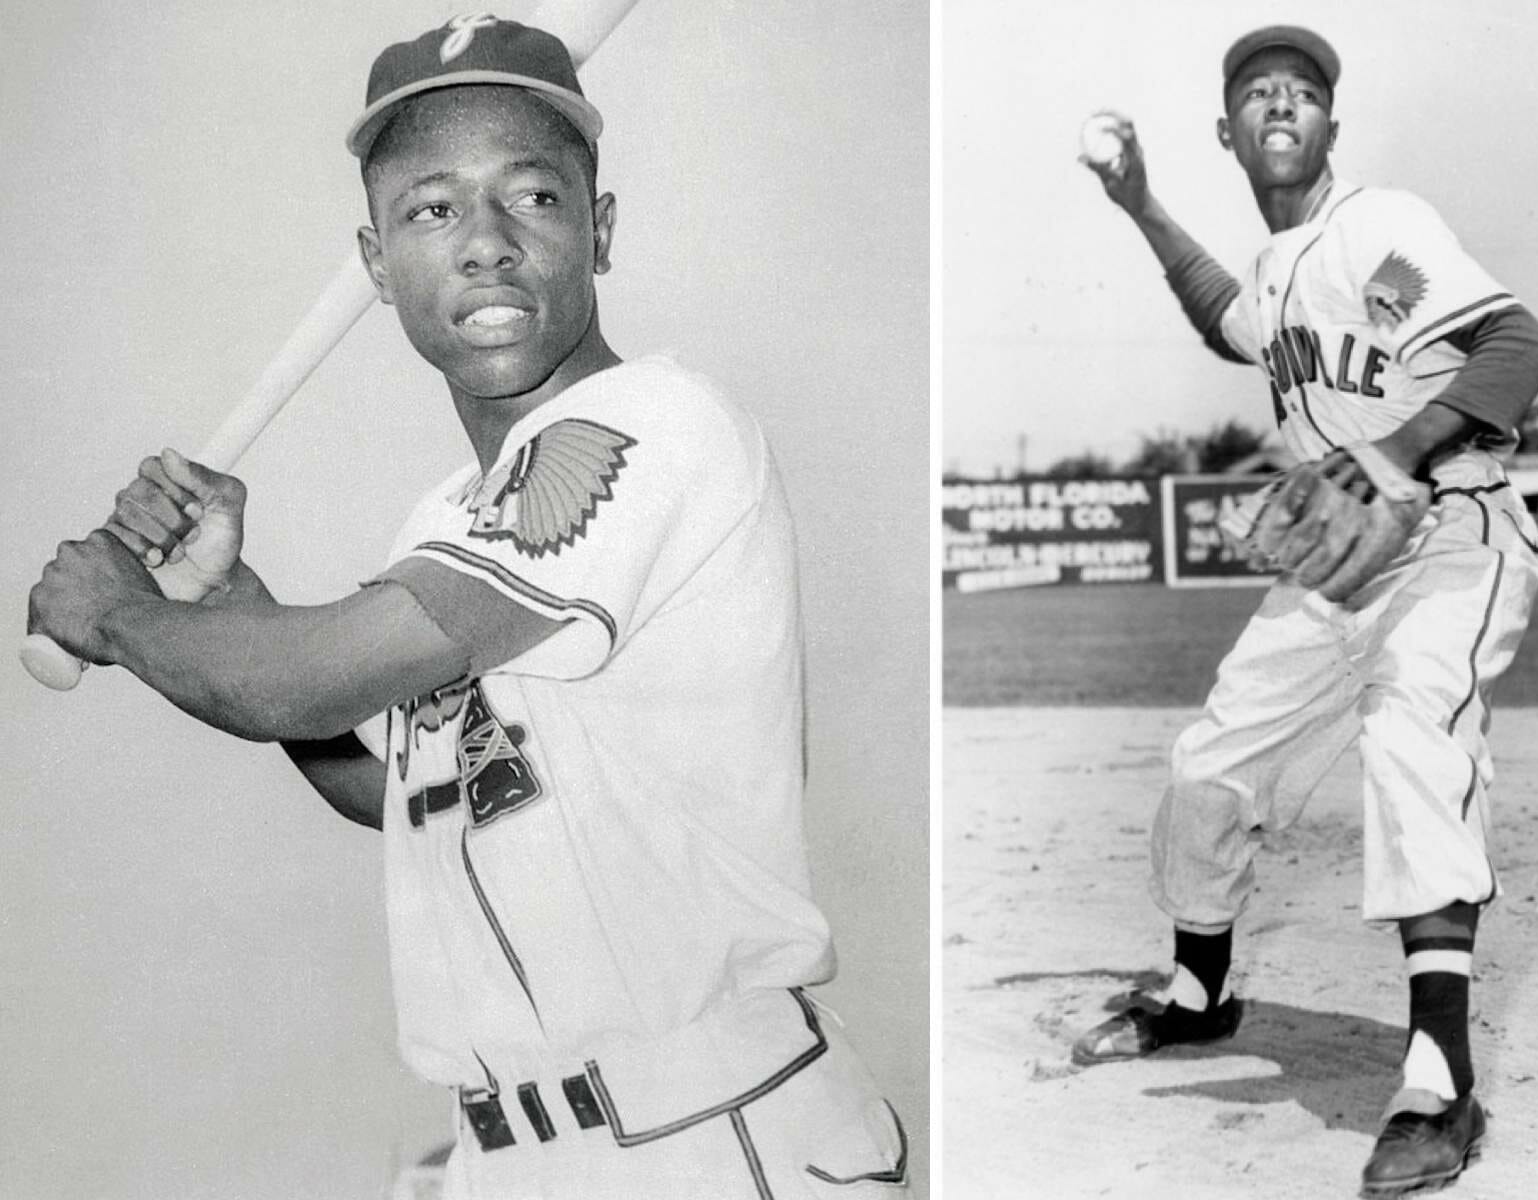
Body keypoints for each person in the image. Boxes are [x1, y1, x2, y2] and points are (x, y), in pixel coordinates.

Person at [28, 15, 910, 1199]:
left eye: (533, 199)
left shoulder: (656, 425)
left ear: (598, 231)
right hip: (518, 1154)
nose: (486, 244)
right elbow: (397, 790)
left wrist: (122, 616)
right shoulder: (454, 515)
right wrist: (228, 599)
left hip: (708, 1136)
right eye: (433, 210)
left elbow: (308, 675)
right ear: (378, 261)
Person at [1071, 25, 1538, 1197]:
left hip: (1449, 533)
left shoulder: (1380, 228)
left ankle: (1439, 1082)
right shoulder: (1294, 267)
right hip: (1341, 568)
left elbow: (1516, 345)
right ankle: (1200, 993)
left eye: (1300, 93)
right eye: (1255, 94)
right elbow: (1230, 317)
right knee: (1209, 768)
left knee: (1409, 744)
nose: (1279, 104)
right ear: (1229, 132)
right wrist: (1139, 205)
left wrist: (1395, 449)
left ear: (1329, 127)